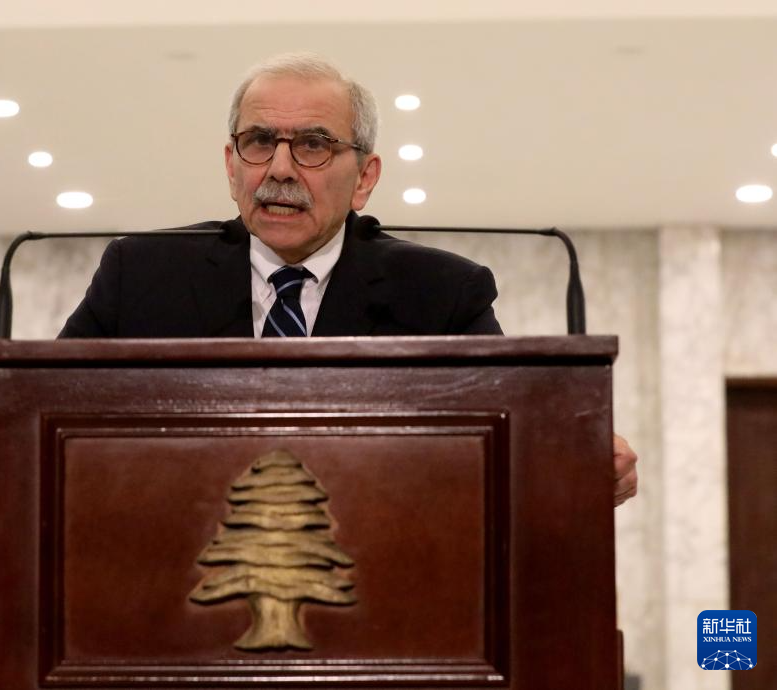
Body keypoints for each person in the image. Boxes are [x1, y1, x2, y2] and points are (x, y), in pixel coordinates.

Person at [60, 52, 637, 506]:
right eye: (259, 142)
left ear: (364, 178)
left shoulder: (440, 294)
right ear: (231, 166)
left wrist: (576, 462)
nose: (280, 169)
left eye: (313, 145)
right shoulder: (140, 274)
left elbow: (513, 441)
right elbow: (46, 420)